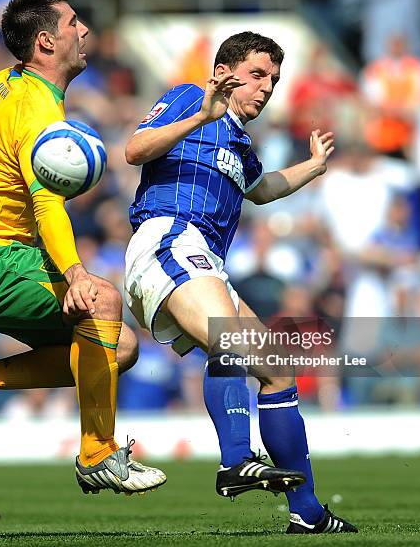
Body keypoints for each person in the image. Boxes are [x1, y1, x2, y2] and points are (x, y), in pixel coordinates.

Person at [0, 0, 165, 495]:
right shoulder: (38, 110)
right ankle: (98, 455)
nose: (84, 31)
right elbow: (45, 205)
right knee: (102, 298)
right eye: (72, 23)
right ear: (45, 41)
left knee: (119, 348)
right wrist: (76, 273)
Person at [124, 32, 357, 533]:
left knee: (276, 368)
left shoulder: (238, 141)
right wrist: (201, 116)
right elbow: (135, 149)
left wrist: (313, 168)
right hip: (169, 236)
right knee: (230, 343)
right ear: (224, 72)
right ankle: (235, 460)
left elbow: (262, 187)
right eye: (257, 75)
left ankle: (308, 512)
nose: (267, 87)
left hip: (206, 261)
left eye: (273, 79)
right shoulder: (190, 97)